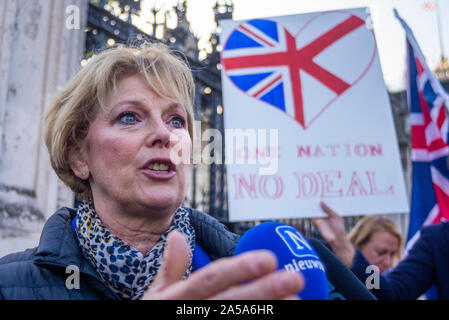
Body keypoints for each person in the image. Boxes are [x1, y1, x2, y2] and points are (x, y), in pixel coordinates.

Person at [0, 42, 303, 300]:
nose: (164, 133)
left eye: (176, 121)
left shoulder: (252, 276)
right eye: (130, 117)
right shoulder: (9, 285)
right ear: (79, 156)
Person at [313, 201, 449, 300]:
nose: (388, 261)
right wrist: (347, 254)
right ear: (358, 245)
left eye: (392, 254)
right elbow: (391, 294)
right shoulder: (438, 239)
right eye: (381, 252)